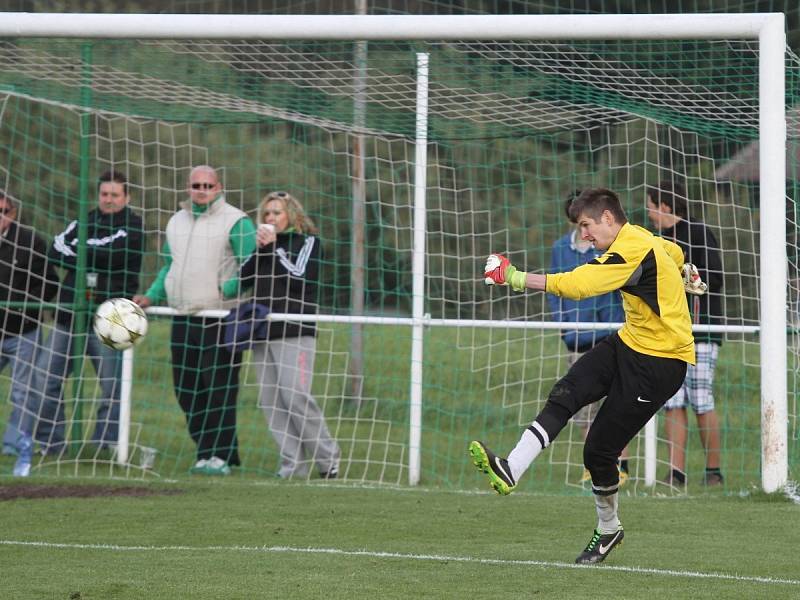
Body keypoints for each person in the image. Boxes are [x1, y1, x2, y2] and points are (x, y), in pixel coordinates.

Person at [473, 187, 698, 564]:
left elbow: (577, 286)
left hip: (661, 364)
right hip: (629, 343)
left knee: (598, 451)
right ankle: (511, 467)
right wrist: (683, 269)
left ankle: (608, 529)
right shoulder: (639, 235)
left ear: (608, 218)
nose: (585, 236)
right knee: (566, 392)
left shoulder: (631, 250)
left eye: (587, 226)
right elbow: (673, 251)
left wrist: (511, 276)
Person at [134, 165, 256, 476]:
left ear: (218, 187)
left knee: (218, 387)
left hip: (220, 316)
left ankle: (221, 456)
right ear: (188, 188)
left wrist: (226, 289)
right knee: (186, 388)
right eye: (196, 185)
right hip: (183, 316)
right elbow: (167, 267)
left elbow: (252, 265)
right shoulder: (176, 221)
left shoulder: (237, 221)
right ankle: (204, 452)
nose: (201, 189)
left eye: (207, 185)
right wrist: (150, 296)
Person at [34, 170, 143, 455]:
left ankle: (103, 445)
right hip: (69, 314)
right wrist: (87, 252)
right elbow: (55, 250)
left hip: (111, 318)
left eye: (115, 195)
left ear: (126, 197)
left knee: (112, 387)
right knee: (46, 379)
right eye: (104, 194)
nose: (108, 200)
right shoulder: (83, 221)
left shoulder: (133, 225)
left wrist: (79, 251)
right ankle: (50, 444)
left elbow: (116, 253)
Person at [238, 191, 340, 479]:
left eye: (277, 213)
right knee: (271, 400)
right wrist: (260, 250)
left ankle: (328, 460)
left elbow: (299, 277)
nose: (270, 218)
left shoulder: (307, 242)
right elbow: (244, 279)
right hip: (262, 332)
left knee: (296, 396)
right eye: (267, 213)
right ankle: (292, 466)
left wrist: (273, 249)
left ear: (291, 215)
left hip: (294, 332)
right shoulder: (263, 246)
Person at [547, 190, 629, 485]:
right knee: (582, 403)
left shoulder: (609, 246)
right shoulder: (560, 249)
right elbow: (557, 290)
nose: (583, 229)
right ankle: (592, 466)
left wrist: (613, 324)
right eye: (578, 222)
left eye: (586, 222)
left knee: (617, 401)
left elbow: (612, 289)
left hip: (610, 334)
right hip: (577, 339)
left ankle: (622, 464)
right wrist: (565, 325)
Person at [646, 180, 724, 487]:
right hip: (667, 333)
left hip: (701, 332)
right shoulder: (655, 240)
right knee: (672, 400)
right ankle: (676, 473)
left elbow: (715, 278)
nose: (650, 213)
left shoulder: (700, 232)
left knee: (701, 399)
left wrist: (685, 275)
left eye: (651, 206)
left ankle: (713, 473)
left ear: (664, 206)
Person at [0, 191, 59, 476]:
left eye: (3, 210)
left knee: (23, 391)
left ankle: (16, 446)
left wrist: (26, 305)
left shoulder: (30, 241)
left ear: (12, 213)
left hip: (23, 330)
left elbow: (49, 283)